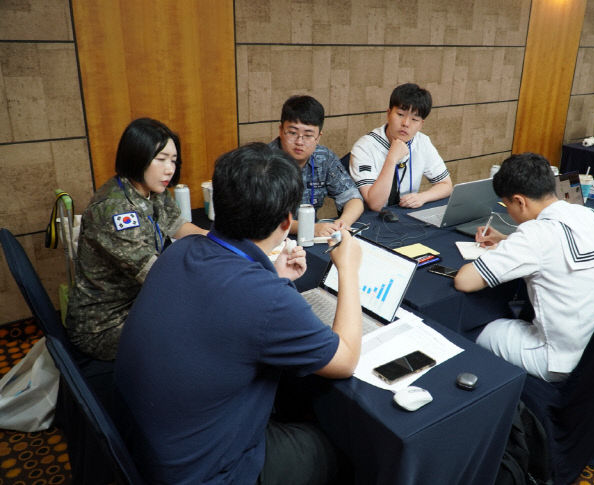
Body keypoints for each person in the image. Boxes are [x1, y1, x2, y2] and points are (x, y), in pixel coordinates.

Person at [114, 143, 362, 485]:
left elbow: (220, 307)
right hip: (205, 473)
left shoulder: (181, 249)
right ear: (287, 221)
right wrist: (349, 270)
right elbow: (346, 358)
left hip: (146, 448)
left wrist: (272, 277)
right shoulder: (266, 299)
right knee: (337, 446)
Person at [455, 153, 594, 381]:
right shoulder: (589, 215)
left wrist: (504, 249)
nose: (509, 212)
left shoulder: (535, 234)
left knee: (474, 327)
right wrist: (506, 241)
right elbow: (558, 250)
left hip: (559, 360)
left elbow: (464, 281)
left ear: (520, 201)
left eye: (507, 205)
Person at [66, 118, 207, 361]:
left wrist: (222, 241)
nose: (169, 169)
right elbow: (158, 277)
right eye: (161, 159)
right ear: (137, 156)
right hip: (105, 325)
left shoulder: (150, 189)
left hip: (139, 303)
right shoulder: (114, 210)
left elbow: (178, 225)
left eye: (173, 160)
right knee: (201, 328)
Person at [269, 95, 363, 236]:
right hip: (272, 241)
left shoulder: (323, 157)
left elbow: (354, 199)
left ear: (318, 137)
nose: (300, 142)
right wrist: (309, 228)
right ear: (281, 130)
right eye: (293, 133)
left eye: (308, 135)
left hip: (312, 237)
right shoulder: (264, 162)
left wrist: (343, 223)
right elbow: (265, 220)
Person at [349, 83, 453, 211]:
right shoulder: (364, 147)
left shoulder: (422, 142)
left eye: (414, 119)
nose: (406, 123)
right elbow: (375, 204)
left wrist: (422, 197)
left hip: (406, 214)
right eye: (400, 115)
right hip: (370, 219)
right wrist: (392, 159)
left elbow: (446, 185)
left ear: (421, 124)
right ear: (388, 114)